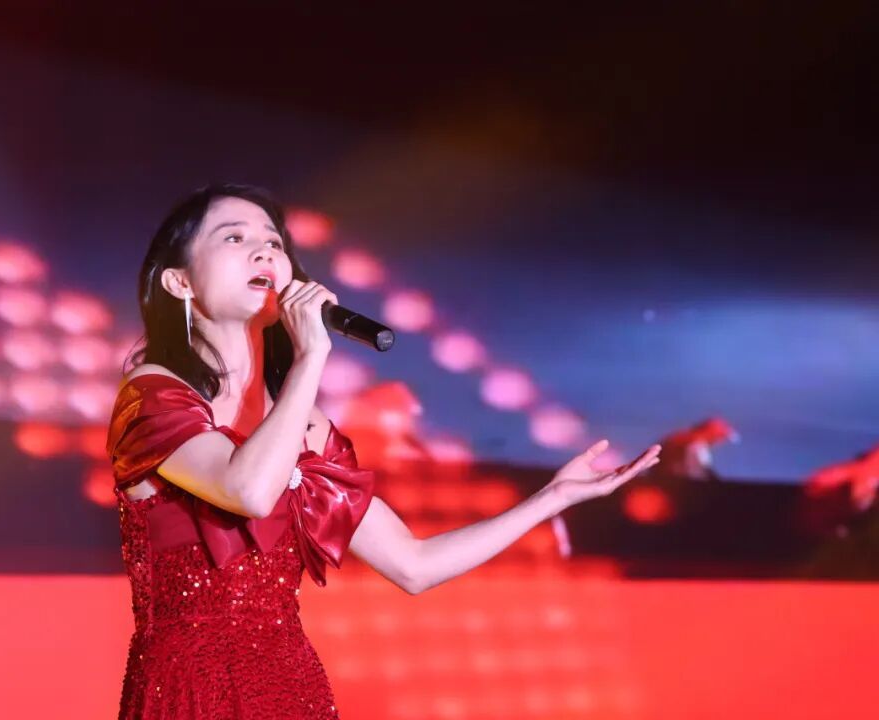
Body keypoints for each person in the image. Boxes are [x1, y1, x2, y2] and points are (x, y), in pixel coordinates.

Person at [106, 184, 662, 719]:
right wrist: (310, 358)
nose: (264, 251)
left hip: (288, 687)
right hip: (189, 688)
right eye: (234, 237)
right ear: (179, 281)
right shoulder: (152, 395)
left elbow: (413, 565)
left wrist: (552, 498)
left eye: (274, 241)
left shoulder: (305, 428)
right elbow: (247, 490)